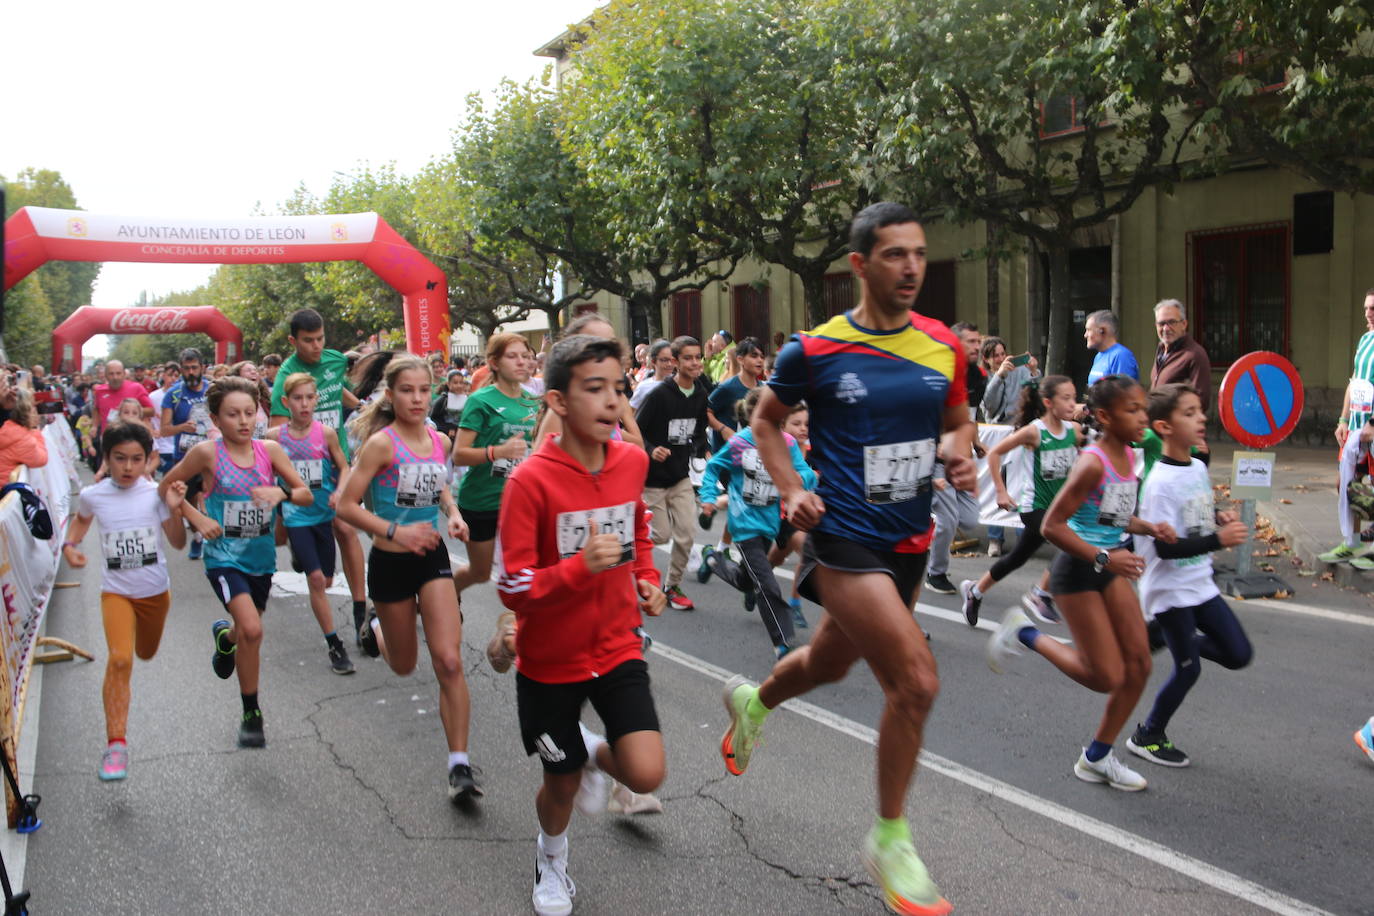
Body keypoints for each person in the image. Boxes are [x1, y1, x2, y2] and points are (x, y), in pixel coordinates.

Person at [718, 202, 973, 915]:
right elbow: (767, 422)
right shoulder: (815, 350)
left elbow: (958, 419)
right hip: (843, 533)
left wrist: (959, 449)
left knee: (831, 663)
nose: (913, 267)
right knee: (916, 682)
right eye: (895, 254)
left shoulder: (941, 344)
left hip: (909, 539)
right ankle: (890, 838)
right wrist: (794, 488)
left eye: (919, 253)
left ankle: (753, 701)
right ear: (859, 265)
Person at [493, 334, 668, 914]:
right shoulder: (529, 482)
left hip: (618, 646)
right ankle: (551, 859)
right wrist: (575, 569)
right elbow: (512, 586)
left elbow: (638, 531)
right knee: (561, 782)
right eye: (594, 389)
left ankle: (594, 752)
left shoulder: (632, 462)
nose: (612, 401)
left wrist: (645, 577)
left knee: (645, 774)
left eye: (617, 388)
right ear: (559, 402)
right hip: (550, 663)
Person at [987, 375, 1175, 791]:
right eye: (1133, 410)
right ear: (1106, 417)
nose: (1143, 417)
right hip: (1076, 569)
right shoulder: (1092, 461)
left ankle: (1097, 757)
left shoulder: (1128, 454)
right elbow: (1053, 526)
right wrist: (1106, 556)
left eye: (1144, 408)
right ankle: (1025, 632)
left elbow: (1110, 513)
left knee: (1140, 663)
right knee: (1104, 676)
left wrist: (1147, 526)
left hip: (1107, 565)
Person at [335, 354, 480, 804]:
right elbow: (345, 506)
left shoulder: (438, 439)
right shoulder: (382, 444)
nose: (417, 399)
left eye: (423, 390)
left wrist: (452, 515)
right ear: (391, 394)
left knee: (449, 661)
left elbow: (440, 485)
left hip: (432, 558)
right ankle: (376, 626)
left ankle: (459, 764)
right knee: (403, 664)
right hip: (391, 561)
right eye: (407, 391)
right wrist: (395, 530)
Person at [159, 377, 313, 748]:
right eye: (233, 414)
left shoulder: (270, 451)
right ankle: (251, 713)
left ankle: (224, 639)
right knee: (254, 630)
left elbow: (306, 495)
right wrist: (197, 519)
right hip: (223, 559)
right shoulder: (207, 454)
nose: (244, 421)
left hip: (260, 558)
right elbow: (168, 486)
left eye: (249, 413)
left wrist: (282, 491)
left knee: (244, 630)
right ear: (215, 418)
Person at [1128, 383, 1251, 768]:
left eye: (1200, 411)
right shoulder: (1159, 484)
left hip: (1198, 581)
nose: (1201, 419)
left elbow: (1193, 514)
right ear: (1164, 427)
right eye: (1190, 413)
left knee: (1238, 654)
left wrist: (1217, 516)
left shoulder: (1197, 464)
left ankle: (1164, 636)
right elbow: (1165, 547)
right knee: (1188, 670)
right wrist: (1219, 538)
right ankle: (1148, 734)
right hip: (1169, 589)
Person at [61, 423, 189, 780]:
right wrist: (71, 546)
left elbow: (178, 543)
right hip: (115, 592)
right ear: (106, 459)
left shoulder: (154, 495)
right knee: (119, 659)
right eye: (120, 459)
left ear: (148, 460)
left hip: (154, 594)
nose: (128, 467)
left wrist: (175, 509)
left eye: (136, 459)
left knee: (145, 652)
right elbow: (81, 521)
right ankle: (115, 744)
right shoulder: (93, 495)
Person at [268, 309, 369, 639]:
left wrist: (362, 407)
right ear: (293, 341)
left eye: (320, 339)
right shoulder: (287, 377)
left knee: (345, 525)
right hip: (303, 476)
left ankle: (359, 606)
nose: (315, 346)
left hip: (338, 459)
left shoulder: (336, 360)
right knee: (303, 532)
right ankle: (295, 529)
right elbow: (277, 435)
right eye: (308, 341)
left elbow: (335, 388)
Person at [698, 386, 817, 657]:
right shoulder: (740, 443)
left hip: (770, 520)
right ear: (754, 416)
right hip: (743, 521)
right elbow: (714, 467)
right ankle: (782, 640)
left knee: (746, 580)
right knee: (766, 582)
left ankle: (713, 560)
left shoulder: (786, 443)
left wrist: (803, 480)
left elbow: (805, 473)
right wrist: (707, 497)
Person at [960, 375, 1078, 627]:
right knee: (1074, 545)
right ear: (1048, 402)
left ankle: (975, 590)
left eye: (1074, 398)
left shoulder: (1074, 431)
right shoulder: (1034, 432)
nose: (1072, 404)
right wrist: (1001, 491)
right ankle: (1040, 594)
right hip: (1034, 507)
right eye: (1065, 398)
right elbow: (995, 454)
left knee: (1017, 558)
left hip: (1057, 510)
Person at [264, 372, 355, 676]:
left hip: (323, 515)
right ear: (286, 402)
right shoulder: (274, 437)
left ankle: (299, 555)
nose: (304, 404)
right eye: (298, 399)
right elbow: (265, 473)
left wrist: (340, 491)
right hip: (295, 517)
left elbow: (344, 467)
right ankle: (335, 644)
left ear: (317, 400)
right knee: (316, 581)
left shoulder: (326, 433)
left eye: (309, 398)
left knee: (327, 580)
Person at [451, 333, 540, 606]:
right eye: (512, 356)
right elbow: (459, 455)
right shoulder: (481, 400)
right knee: (479, 572)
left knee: (523, 575)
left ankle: (518, 633)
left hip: (519, 502)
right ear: (494, 362)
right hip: (482, 500)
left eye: (525, 356)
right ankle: (444, 595)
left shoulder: (533, 402)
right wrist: (497, 452)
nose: (521, 362)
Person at [634, 335, 710, 611]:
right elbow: (635, 430)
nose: (695, 362)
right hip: (653, 479)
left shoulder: (700, 393)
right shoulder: (658, 395)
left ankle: (672, 586)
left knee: (687, 533)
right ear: (675, 363)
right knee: (661, 535)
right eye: (688, 358)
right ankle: (621, 553)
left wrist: (703, 449)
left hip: (679, 476)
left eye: (698, 357)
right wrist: (652, 448)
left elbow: (699, 430)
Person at [1324, 290, 1374, 565]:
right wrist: (1343, 419)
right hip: (1356, 424)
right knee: (1346, 482)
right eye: (1367, 308)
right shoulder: (1366, 339)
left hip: (1373, 427)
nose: (1368, 313)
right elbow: (1354, 382)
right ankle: (1351, 543)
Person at [162, 348, 213, 560]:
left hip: (212, 456)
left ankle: (218, 538)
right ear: (181, 370)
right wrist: (182, 427)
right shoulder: (173, 395)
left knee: (214, 499)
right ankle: (199, 535)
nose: (191, 372)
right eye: (186, 368)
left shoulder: (213, 390)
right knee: (189, 503)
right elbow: (164, 429)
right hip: (185, 459)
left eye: (194, 367)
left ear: (202, 367)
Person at [1148, 299, 1212, 408]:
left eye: (1172, 322)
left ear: (1184, 324)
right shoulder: (1161, 349)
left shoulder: (1195, 354)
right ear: (1156, 325)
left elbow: (1202, 401)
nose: (1166, 328)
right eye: (1161, 323)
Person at [92, 360, 154, 436]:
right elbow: (97, 409)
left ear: (124, 374)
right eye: (111, 374)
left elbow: (151, 411)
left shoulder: (136, 388)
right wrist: (94, 426)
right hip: (108, 437)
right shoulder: (99, 391)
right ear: (106, 375)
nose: (115, 377)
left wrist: (131, 411)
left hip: (131, 437)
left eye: (118, 373)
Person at [0, 390, 48, 481]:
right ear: (27, 411)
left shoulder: (7, 428)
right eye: (34, 408)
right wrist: (34, 430)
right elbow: (41, 459)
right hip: (6, 489)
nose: (36, 412)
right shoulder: (21, 438)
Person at [1083, 310, 1139, 387]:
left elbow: (1125, 393)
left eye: (1089, 330)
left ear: (1102, 330)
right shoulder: (1099, 356)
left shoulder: (1121, 356)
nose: (1085, 335)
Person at [148, 364, 178, 475]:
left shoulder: (183, 396)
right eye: (170, 375)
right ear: (164, 376)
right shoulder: (153, 397)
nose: (173, 378)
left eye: (176, 375)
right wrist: (151, 431)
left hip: (180, 447)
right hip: (162, 447)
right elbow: (148, 419)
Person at [628, 340, 675, 410]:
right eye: (664, 360)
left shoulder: (681, 384)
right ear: (653, 361)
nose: (669, 364)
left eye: (672, 360)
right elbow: (631, 411)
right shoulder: (644, 386)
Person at [429, 369, 469, 443]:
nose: (459, 385)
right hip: (445, 438)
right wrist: (448, 429)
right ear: (448, 384)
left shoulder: (467, 399)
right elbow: (433, 419)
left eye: (461, 383)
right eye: (455, 383)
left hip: (461, 436)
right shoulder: (442, 400)